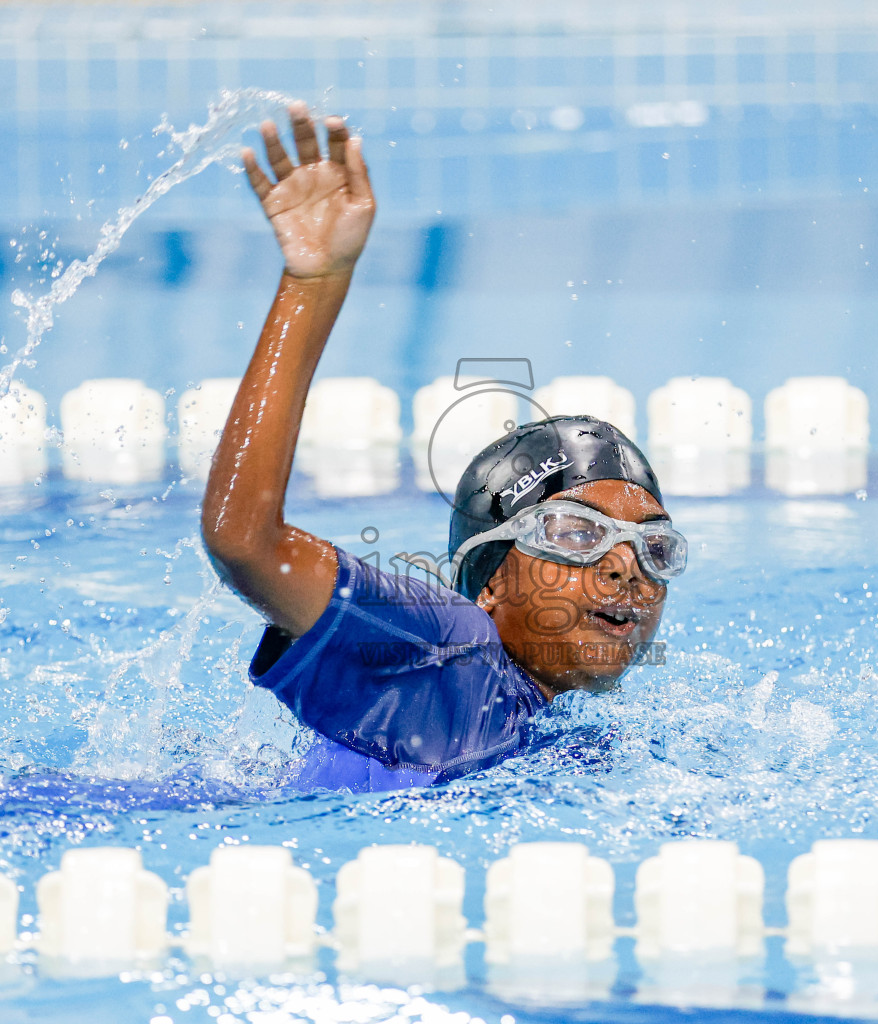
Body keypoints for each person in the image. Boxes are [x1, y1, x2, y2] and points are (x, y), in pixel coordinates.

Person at [201, 103, 688, 792]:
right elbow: (245, 542)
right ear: (489, 583)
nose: (626, 571)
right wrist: (312, 284)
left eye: (654, 547)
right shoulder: (453, 654)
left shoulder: (559, 728)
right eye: (577, 534)